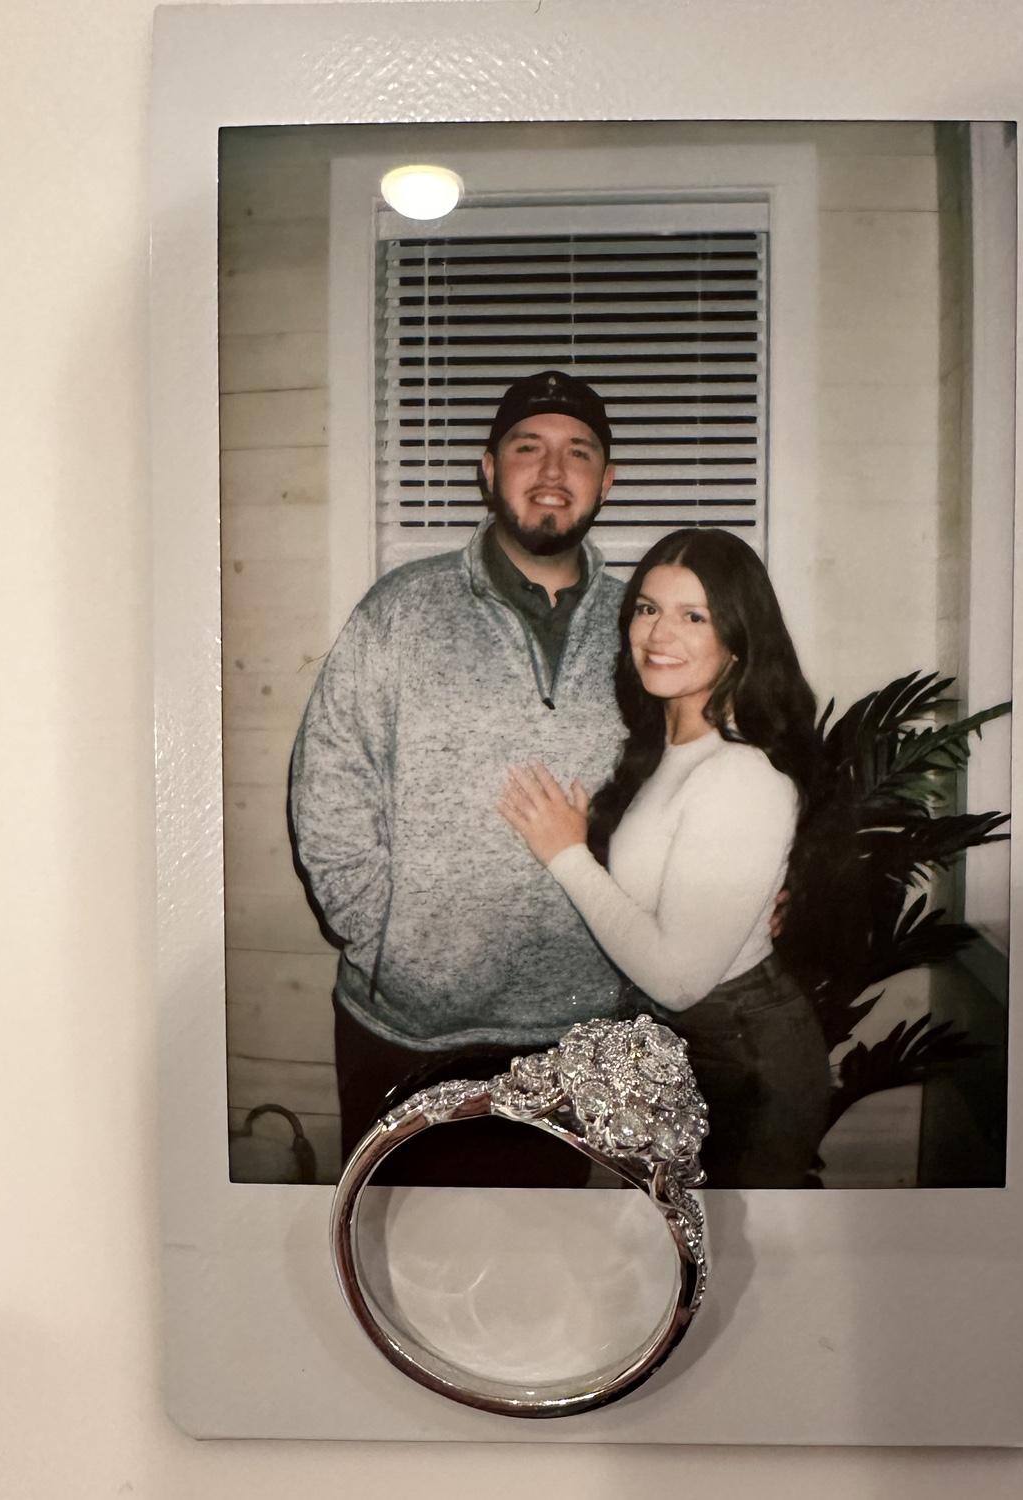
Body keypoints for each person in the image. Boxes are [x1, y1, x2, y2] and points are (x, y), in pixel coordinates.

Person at [289, 370, 633, 1181]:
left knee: (552, 1253)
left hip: (581, 1031)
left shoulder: (646, 628)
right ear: (488, 468)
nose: (553, 472)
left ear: (607, 480)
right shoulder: (400, 611)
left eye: (579, 452)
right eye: (528, 448)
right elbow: (328, 787)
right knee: (394, 1241)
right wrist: (390, 946)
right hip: (409, 1035)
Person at [499, 528, 832, 1187]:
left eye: (694, 616)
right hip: (696, 1045)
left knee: (716, 1247)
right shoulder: (668, 747)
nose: (659, 634)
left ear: (738, 638)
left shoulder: (740, 775)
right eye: (648, 608)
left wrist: (565, 855)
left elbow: (678, 980)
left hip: (747, 1065)